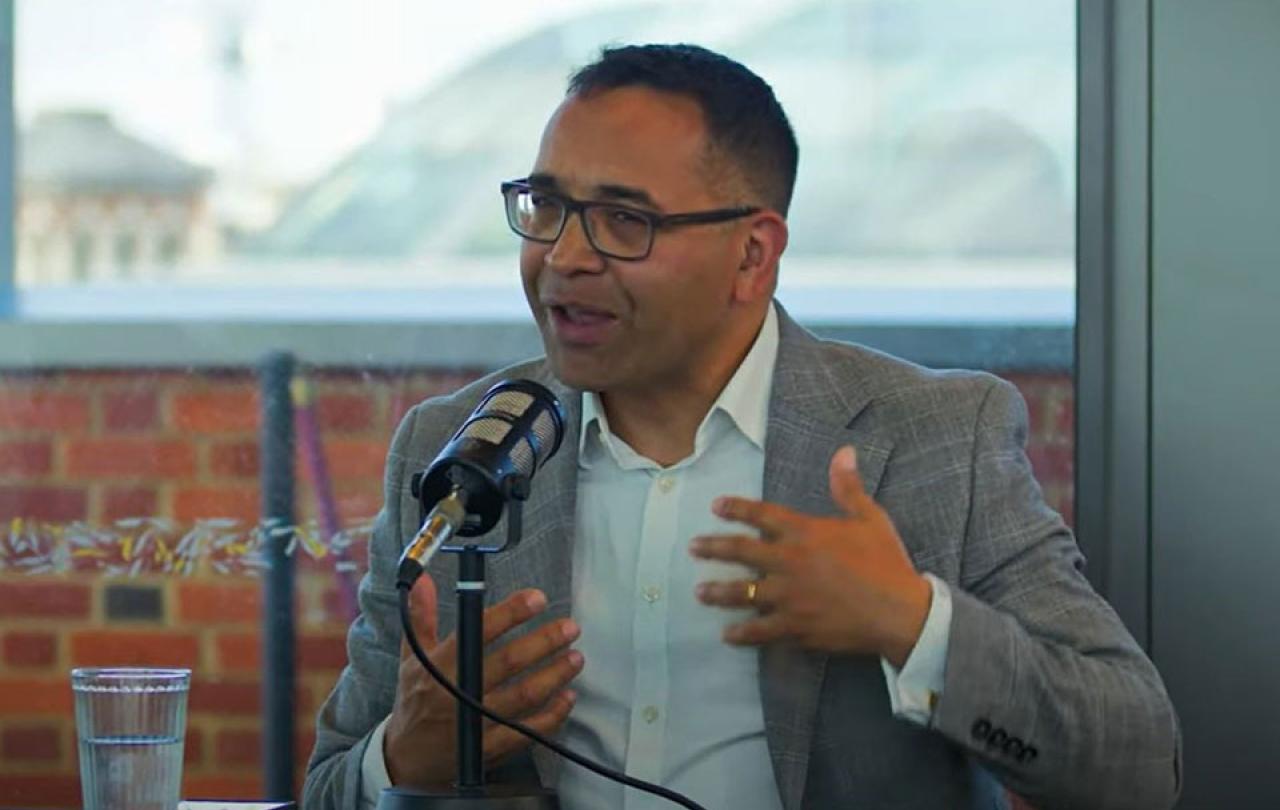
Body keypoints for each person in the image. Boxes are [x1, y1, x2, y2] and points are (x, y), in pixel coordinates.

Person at [304, 43, 1181, 810]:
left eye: (623, 221)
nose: (564, 257)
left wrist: (914, 625)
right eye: (546, 205)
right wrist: (401, 758)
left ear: (753, 255)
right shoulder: (459, 451)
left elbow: (1137, 767)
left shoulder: (933, 438)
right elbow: (327, 787)